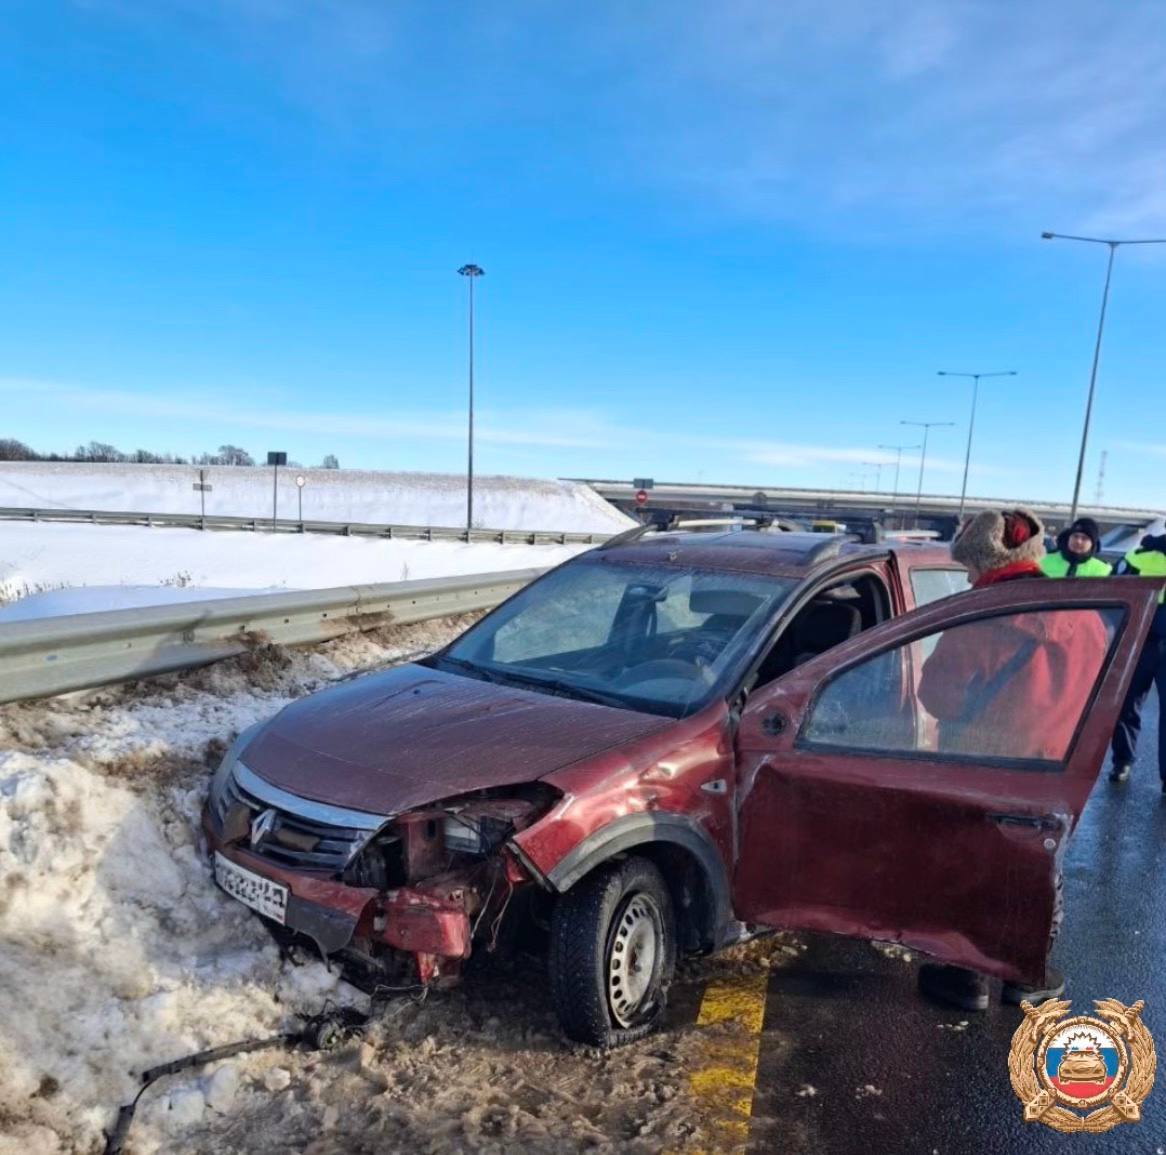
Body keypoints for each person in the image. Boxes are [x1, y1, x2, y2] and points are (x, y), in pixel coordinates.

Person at [914, 508, 1107, 1012]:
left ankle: (967, 978)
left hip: (982, 765)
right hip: (1056, 768)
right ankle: (1028, 974)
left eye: (971, 568)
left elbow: (939, 698)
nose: (971, 578)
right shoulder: (1086, 615)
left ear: (985, 561)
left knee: (974, 864)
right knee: (1042, 869)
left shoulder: (982, 618)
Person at [1109, 531, 1166, 786]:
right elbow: (1114, 591)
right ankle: (1122, 760)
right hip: (1140, 642)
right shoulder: (1139, 555)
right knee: (1125, 703)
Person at [1039, 516, 1113, 578]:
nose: (1078, 541)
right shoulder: (1042, 560)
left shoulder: (1103, 570)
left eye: (1084, 538)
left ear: (1092, 544)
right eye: (1075, 536)